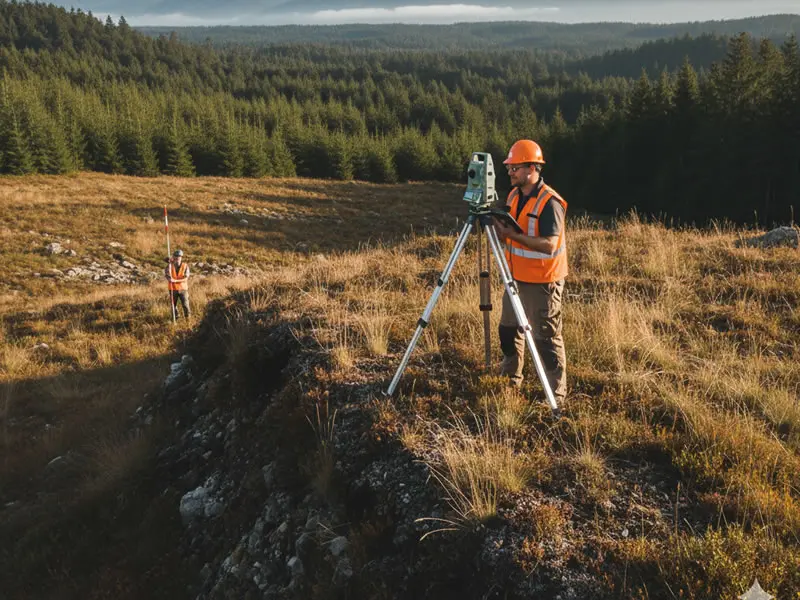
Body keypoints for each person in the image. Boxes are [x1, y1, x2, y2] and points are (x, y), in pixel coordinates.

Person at [492, 139, 568, 404]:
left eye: (515, 167)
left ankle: (555, 395)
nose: (510, 172)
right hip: (514, 277)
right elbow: (513, 234)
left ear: (531, 168)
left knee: (545, 339)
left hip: (543, 282)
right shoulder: (514, 196)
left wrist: (513, 236)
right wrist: (502, 233)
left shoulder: (550, 203)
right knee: (508, 330)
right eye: (509, 167)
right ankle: (510, 380)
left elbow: (549, 245)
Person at [165, 249, 191, 320]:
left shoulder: (185, 266)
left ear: (181, 257)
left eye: (179, 257)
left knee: (186, 305)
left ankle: (188, 320)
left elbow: (186, 278)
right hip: (172, 289)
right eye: (176, 256)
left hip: (183, 289)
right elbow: (167, 276)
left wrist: (175, 280)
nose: (177, 258)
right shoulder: (169, 266)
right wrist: (170, 279)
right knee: (173, 306)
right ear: (173, 257)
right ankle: (175, 318)